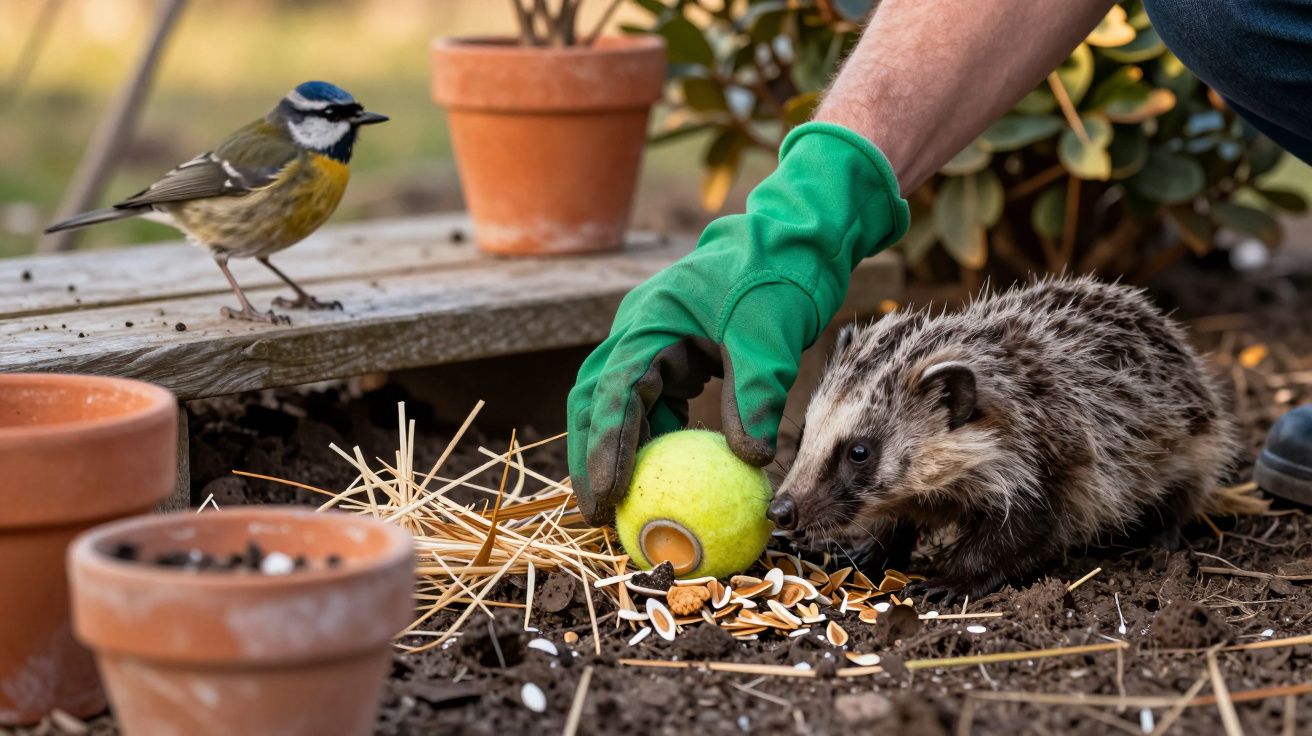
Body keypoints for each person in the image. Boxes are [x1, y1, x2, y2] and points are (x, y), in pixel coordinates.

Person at [567, 0, 1312, 525]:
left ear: (957, 408)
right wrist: (805, 212)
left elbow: (1027, 509)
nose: (786, 499)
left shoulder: (1012, 461)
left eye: (855, 455)